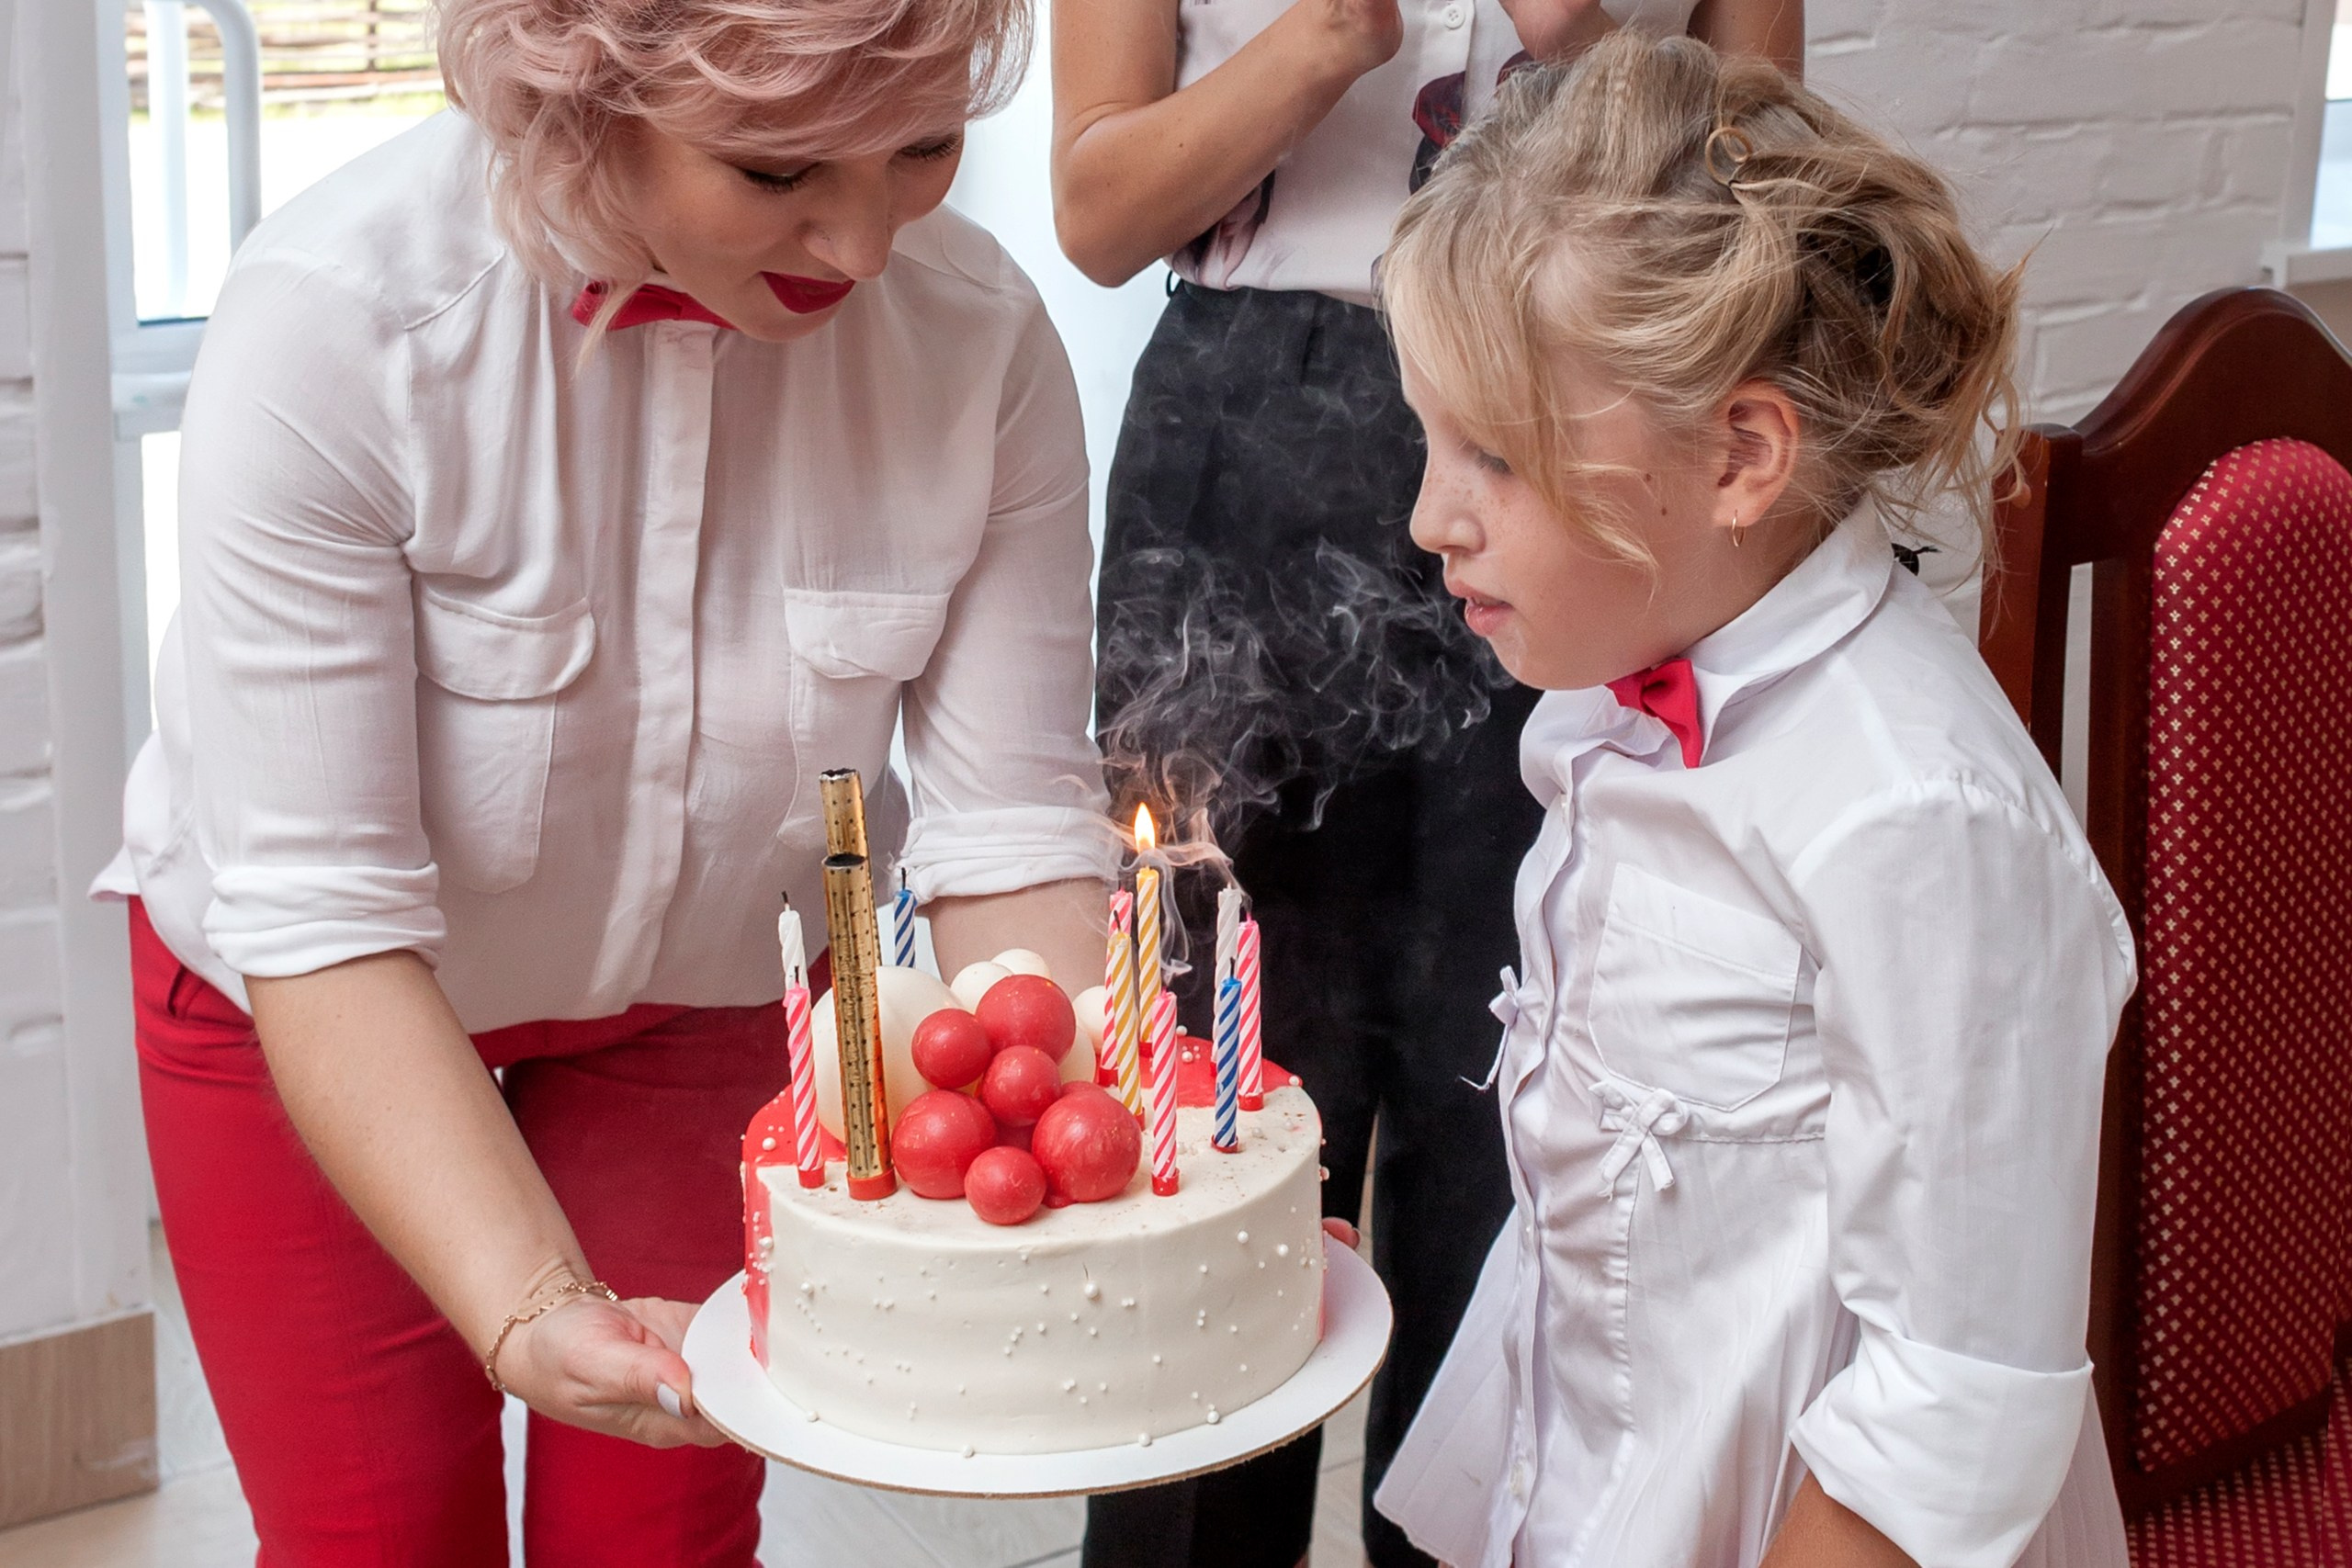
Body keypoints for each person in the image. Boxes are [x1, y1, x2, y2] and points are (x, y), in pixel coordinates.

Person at [95, 0, 1115, 1560]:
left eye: (919, 147)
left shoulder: (982, 345)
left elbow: (1009, 839)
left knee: (669, 1525)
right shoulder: (335, 321)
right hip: (314, 998)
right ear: (580, 99)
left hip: (701, 994)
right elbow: (322, 913)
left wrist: (1083, 1162)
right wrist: (527, 1306)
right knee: (381, 1537)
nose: (857, 248)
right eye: (777, 172)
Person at [1370, 33, 2136, 1568]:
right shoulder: (1614, 700)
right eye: (1430, 441)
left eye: (1496, 459)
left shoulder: (1919, 822)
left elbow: (1953, 1405)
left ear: (1739, 454)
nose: (1427, 519)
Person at [1051, 3, 1802, 1566]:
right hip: (1244, 455)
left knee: (1524, 1116)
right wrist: (1327, 38)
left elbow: (1771, 184)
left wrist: (1595, 40)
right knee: (1222, 1116)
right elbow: (1097, 212)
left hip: (1576, 423)